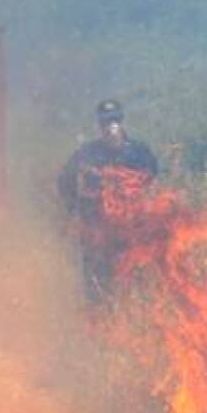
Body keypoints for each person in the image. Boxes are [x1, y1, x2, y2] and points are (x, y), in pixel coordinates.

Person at [57, 99, 158, 308]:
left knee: (133, 286)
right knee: (97, 290)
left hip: (131, 233)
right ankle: (98, 330)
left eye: (114, 120)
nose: (111, 126)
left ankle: (133, 325)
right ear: (99, 125)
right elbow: (64, 181)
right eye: (105, 122)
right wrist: (76, 208)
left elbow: (153, 180)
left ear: (122, 121)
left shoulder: (139, 152)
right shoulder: (88, 153)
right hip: (97, 235)